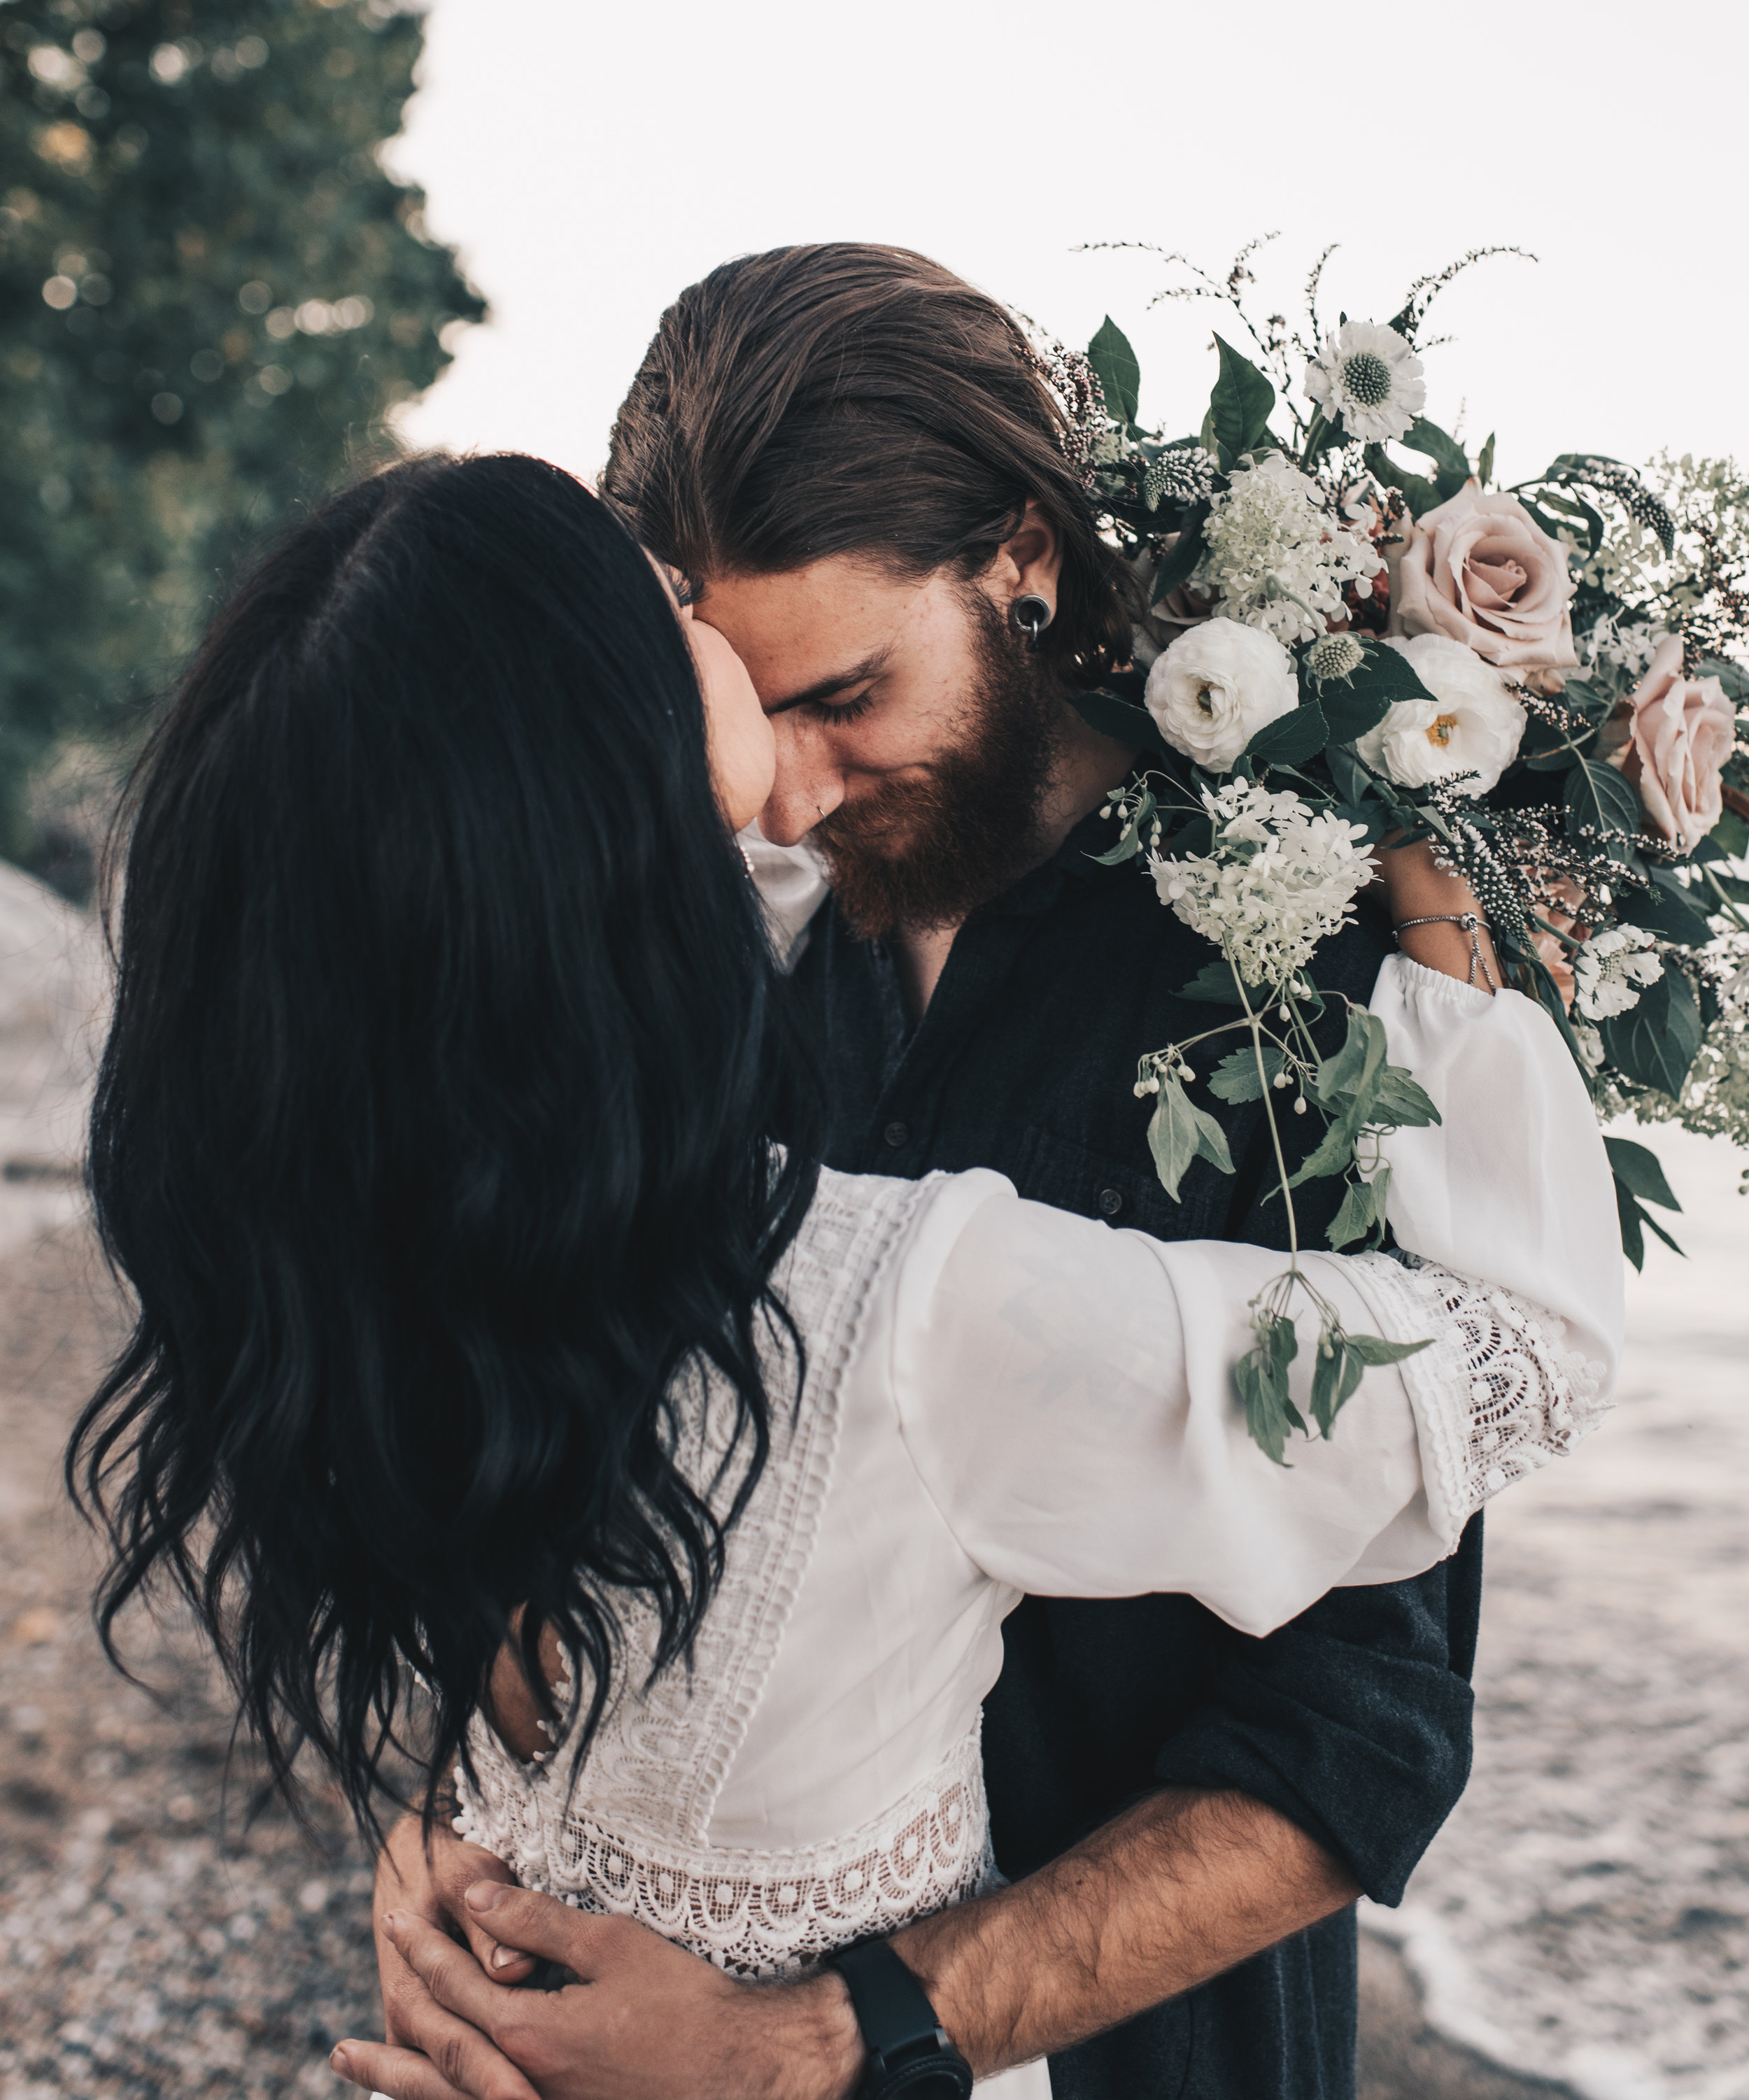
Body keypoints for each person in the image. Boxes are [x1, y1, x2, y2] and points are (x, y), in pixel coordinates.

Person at [367, 248, 1624, 2100]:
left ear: (1021, 555)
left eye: (847, 695)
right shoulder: (697, 935)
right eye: (740, 705)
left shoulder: (1311, 975)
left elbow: (1360, 1726)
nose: (787, 793)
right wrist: (481, 1817)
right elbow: (551, 1421)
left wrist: (818, 2040)